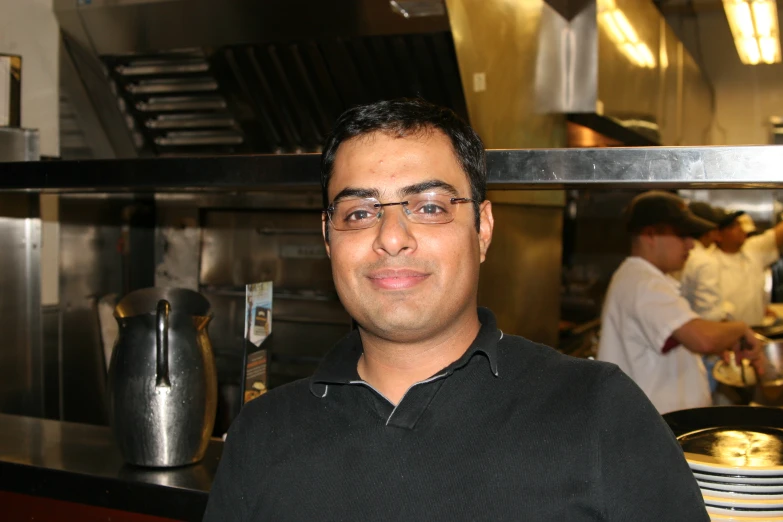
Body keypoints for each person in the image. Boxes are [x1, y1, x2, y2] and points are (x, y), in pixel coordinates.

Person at [204, 100, 709, 521]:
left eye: (428, 207)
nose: (392, 238)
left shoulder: (600, 410)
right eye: (359, 212)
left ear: (483, 228)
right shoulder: (263, 433)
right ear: (328, 239)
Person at [598, 191, 763, 415]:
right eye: (683, 235)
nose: (691, 245)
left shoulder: (648, 278)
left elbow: (682, 335)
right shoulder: (643, 282)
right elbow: (701, 339)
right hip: (652, 429)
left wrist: (722, 339)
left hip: (658, 426)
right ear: (651, 234)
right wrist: (740, 329)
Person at [711, 208, 783, 325]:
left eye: (739, 224)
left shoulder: (752, 249)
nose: (740, 229)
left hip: (757, 328)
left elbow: (777, 235)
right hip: (728, 333)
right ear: (718, 235)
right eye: (733, 227)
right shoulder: (709, 261)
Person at [679, 202, 738, 321]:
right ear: (708, 231)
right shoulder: (705, 261)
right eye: (716, 229)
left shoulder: (677, 255)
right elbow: (709, 314)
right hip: (696, 332)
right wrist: (727, 313)